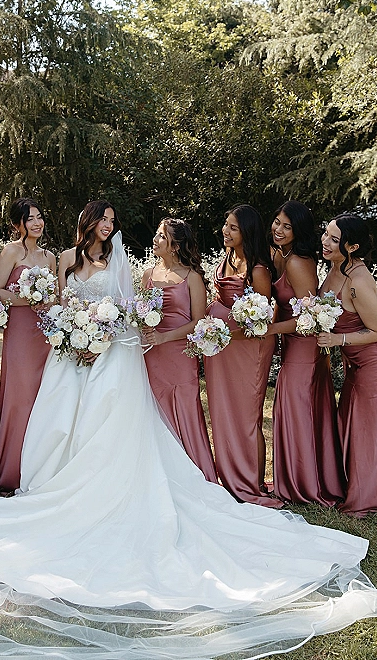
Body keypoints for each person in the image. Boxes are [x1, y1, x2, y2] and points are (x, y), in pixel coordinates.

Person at [0, 202, 377, 660]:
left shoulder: (134, 267)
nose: (112, 229)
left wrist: (110, 327)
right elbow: (60, 302)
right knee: (63, 424)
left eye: (114, 223)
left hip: (115, 356)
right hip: (74, 354)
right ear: (89, 226)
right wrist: (73, 326)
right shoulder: (68, 262)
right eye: (103, 221)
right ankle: (48, 479)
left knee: (119, 423)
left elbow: (134, 309)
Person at [318, 214, 377, 517]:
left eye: (334, 239)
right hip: (358, 359)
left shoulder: (357, 281)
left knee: (373, 426)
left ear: (352, 246)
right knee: (354, 419)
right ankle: (358, 482)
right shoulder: (334, 267)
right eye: (326, 234)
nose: (325, 241)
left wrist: (337, 340)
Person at [268, 201, 345, 505]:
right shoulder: (279, 254)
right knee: (292, 409)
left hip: (304, 347)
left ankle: (305, 485)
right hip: (291, 344)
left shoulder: (298, 263)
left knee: (298, 411)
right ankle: (297, 477)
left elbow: (310, 319)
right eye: (277, 222)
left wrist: (269, 330)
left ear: (298, 231)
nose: (279, 229)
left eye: (287, 226)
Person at [204, 204, 280, 506]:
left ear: (246, 232)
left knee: (248, 414)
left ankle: (252, 482)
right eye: (226, 224)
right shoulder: (226, 257)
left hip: (248, 347)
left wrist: (224, 333)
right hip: (219, 346)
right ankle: (229, 476)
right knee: (223, 411)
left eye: (233, 227)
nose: (225, 230)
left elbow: (261, 322)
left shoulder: (259, 270)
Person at [141, 218, 217, 481]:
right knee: (154, 408)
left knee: (184, 409)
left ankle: (194, 475)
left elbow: (198, 322)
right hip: (152, 355)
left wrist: (164, 338)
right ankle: (158, 476)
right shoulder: (148, 276)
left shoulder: (192, 277)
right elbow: (140, 313)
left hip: (180, 355)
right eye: (157, 234)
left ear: (175, 246)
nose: (155, 239)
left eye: (161, 236)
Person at [0, 198, 56, 492]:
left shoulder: (50, 256)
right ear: (18, 224)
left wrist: (46, 301)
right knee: (20, 395)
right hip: (19, 331)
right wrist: (27, 298)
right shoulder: (11, 251)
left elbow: (55, 295)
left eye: (39, 217)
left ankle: (39, 470)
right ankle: (10, 471)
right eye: (30, 219)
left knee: (44, 396)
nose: (37, 223)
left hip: (43, 332)